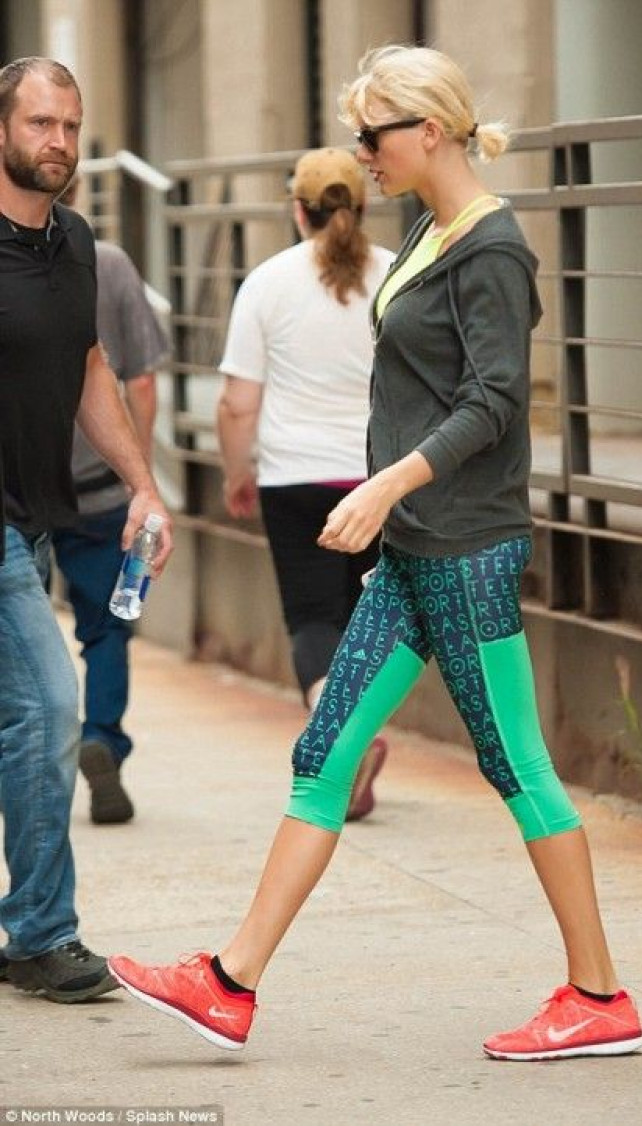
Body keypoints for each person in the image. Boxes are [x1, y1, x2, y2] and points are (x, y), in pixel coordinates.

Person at [108, 45, 642, 1062]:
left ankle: (599, 996)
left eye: (373, 134)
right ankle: (229, 983)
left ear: (429, 130)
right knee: (324, 754)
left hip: (466, 549)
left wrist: (387, 484)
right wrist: (389, 505)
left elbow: (494, 401)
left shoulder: (493, 248)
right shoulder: (430, 229)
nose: (362, 154)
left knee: (517, 764)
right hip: (410, 553)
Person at [0, 56, 172, 1003]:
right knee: (48, 707)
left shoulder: (74, 243)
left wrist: (144, 485)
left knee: (23, 724)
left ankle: (28, 926)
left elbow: (89, 369)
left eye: (69, 125)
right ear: (1, 130)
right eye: (39, 123)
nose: (58, 142)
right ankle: (40, 934)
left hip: (35, 521)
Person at [217, 147, 394, 821]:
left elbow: (238, 403)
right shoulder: (395, 275)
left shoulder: (267, 282)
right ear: (363, 206)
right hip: (378, 478)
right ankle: (359, 734)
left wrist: (238, 471)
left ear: (298, 211)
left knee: (314, 619)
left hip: (294, 478)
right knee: (366, 618)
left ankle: (338, 732)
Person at [52, 176, 169, 826]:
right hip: (100, 488)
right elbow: (141, 382)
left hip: (20, 491)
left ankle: (32, 762)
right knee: (106, 628)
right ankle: (100, 737)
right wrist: (140, 476)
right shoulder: (111, 262)